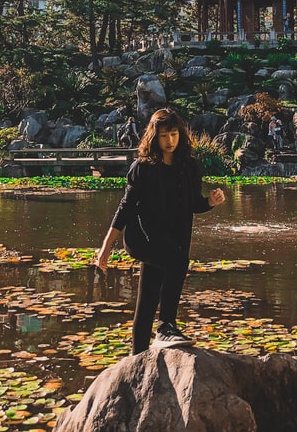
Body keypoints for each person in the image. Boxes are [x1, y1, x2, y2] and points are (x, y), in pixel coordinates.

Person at [94, 107, 227, 354]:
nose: (170, 140)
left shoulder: (188, 166)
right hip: (143, 237)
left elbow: (193, 204)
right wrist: (106, 245)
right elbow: (125, 208)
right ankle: (166, 326)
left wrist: (210, 201)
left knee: (146, 303)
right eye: (164, 135)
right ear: (154, 136)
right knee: (178, 262)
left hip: (173, 239)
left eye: (174, 134)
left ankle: (138, 357)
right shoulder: (142, 167)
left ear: (181, 135)